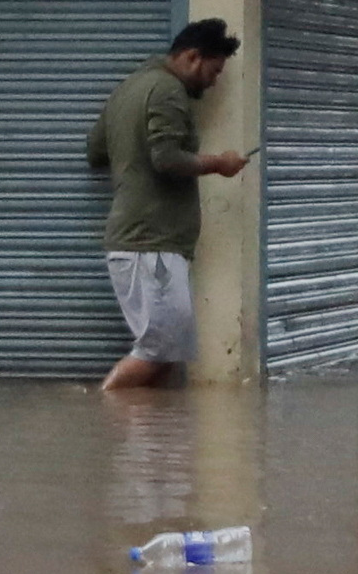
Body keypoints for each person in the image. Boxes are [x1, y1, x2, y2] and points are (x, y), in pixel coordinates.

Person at [90, 20, 249, 393]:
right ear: (192, 58)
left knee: (165, 350)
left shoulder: (130, 87)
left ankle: (148, 443)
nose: (213, 83)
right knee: (159, 348)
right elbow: (166, 158)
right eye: (214, 71)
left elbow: (96, 151)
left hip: (142, 243)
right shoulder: (167, 91)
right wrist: (218, 163)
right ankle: (101, 414)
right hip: (151, 245)